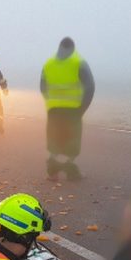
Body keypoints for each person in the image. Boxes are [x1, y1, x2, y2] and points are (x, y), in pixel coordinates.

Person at [40, 37, 95, 181]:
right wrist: (83, 108)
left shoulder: (48, 64)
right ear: (73, 48)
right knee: (72, 141)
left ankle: (53, 172)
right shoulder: (79, 63)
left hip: (54, 109)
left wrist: (50, 102)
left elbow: (43, 87)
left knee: (54, 140)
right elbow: (90, 87)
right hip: (73, 110)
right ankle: (71, 171)